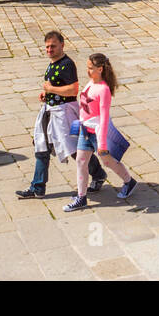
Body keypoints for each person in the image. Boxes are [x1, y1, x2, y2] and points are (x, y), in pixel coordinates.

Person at [17, 31, 106, 199]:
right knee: (41, 147)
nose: (49, 49)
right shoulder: (52, 63)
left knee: (74, 149)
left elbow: (73, 89)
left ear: (62, 45)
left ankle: (99, 174)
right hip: (50, 110)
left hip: (64, 113)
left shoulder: (67, 64)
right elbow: (58, 87)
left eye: (53, 46)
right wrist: (47, 95)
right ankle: (38, 187)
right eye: (47, 47)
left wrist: (51, 90)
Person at [64, 53, 138, 212]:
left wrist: (102, 144)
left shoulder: (103, 90)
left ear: (100, 69)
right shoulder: (90, 83)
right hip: (85, 131)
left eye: (91, 68)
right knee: (81, 162)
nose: (88, 71)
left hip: (96, 134)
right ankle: (81, 197)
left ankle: (129, 181)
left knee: (108, 161)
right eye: (87, 68)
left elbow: (104, 118)